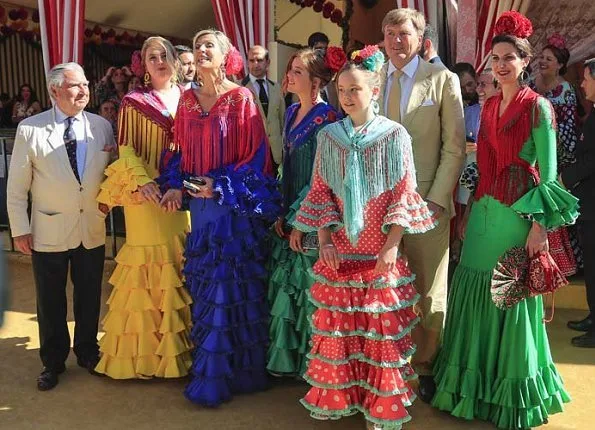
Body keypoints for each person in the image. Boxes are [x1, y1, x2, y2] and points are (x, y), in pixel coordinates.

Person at [431, 12, 577, 428]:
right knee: (474, 291)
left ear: (525, 61)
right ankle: (471, 388)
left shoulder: (540, 109)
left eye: (508, 57)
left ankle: (508, 393)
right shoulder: (489, 104)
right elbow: (483, 166)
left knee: (507, 296)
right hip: (483, 216)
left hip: (518, 218)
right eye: (495, 58)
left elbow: (548, 176)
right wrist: (469, 211)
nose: (500, 65)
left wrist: (539, 228)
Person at [295, 45, 436, 430]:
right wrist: (324, 240)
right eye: (341, 90)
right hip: (340, 254)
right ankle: (347, 397)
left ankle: (380, 407)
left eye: (355, 89)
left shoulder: (394, 136)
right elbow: (320, 191)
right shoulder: (329, 137)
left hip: (378, 256)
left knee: (378, 335)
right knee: (342, 332)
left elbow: (404, 193)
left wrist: (391, 247)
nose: (347, 97)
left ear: (374, 90)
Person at [158, 29, 280, 407]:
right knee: (208, 288)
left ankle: (231, 376)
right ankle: (213, 370)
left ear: (226, 54)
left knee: (231, 287)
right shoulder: (186, 102)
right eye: (197, 45)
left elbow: (258, 157)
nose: (201, 49)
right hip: (200, 210)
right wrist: (177, 185)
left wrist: (220, 184)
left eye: (209, 44)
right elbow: (176, 152)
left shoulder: (242, 98)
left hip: (231, 207)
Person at [6, 62, 114, 391]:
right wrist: (20, 229)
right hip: (47, 230)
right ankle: (52, 362)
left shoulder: (102, 126)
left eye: (85, 84)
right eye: (74, 86)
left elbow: (111, 175)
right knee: (50, 300)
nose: (83, 91)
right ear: (55, 91)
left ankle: (87, 351)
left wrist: (111, 199)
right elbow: (16, 187)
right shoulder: (30, 129)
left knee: (89, 295)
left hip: (90, 228)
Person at [379, 7, 465, 401]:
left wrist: (435, 200)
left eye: (405, 33)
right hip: (379, 209)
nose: (398, 40)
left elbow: (454, 147)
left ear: (420, 38)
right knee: (386, 290)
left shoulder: (441, 80)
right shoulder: (371, 80)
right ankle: (389, 366)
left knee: (429, 293)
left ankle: (427, 366)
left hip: (427, 205)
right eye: (391, 32)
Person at [94, 36, 192, 379]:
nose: (160, 61)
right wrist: (144, 182)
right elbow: (127, 149)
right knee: (147, 271)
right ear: (144, 65)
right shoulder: (133, 102)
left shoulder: (190, 99)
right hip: (145, 195)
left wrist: (180, 184)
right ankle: (144, 360)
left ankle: (179, 356)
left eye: (164, 55)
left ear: (175, 60)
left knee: (178, 268)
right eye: (153, 57)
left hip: (180, 195)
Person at [266, 48, 339, 377]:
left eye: (297, 70)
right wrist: (281, 210)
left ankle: (316, 367)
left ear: (317, 81)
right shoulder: (293, 110)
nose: (289, 75)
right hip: (289, 209)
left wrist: (301, 221)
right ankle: (293, 364)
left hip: (314, 216)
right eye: (290, 69)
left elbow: (321, 179)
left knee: (311, 290)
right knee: (290, 289)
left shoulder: (329, 119)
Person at [530, 33, 580, 276]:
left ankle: (557, 264)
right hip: (532, 155)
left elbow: (570, 129)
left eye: (548, 59)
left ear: (560, 64)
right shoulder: (531, 84)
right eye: (541, 57)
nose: (543, 62)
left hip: (555, 158)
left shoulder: (566, 90)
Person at [562, 58, 595, 347]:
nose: (582, 84)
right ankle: (593, 316)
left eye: (587, 78)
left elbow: (590, 161)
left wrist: (564, 179)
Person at [242, 45, 286, 167]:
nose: (256, 64)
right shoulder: (239, 88)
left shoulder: (276, 88)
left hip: (276, 155)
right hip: (252, 154)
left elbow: (282, 120)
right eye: (252, 60)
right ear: (247, 63)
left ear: (268, 62)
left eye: (260, 60)